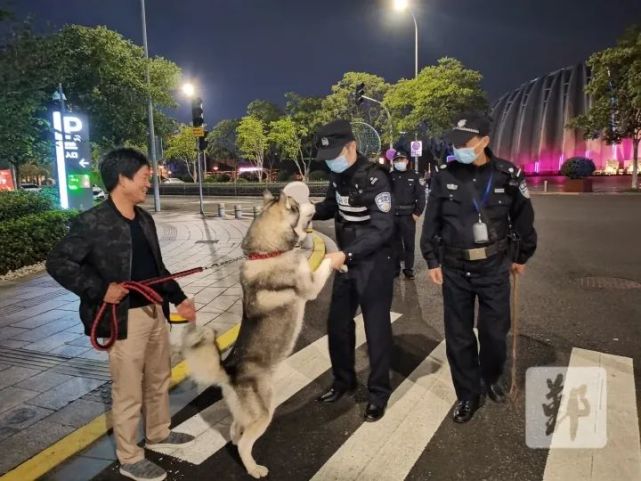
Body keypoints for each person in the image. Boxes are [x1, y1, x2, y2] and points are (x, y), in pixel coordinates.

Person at [46, 148, 197, 481]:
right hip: (123, 319)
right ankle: (130, 457)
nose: (149, 182)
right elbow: (58, 263)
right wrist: (101, 289)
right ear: (123, 179)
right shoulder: (92, 222)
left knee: (159, 378)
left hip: (154, 311)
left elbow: (158, 269)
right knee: (128, 390)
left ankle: (159, 431)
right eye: (144, 176)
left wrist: (179, 299)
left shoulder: (144, 219)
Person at [420, 113, 537, 424]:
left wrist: (522, 256)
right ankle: (468, 394)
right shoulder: (444, 175)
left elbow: (524, 217)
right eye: (455, 142)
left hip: (495, 266)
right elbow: (432, 220)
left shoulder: (508, 175)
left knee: (494, 332)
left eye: (466, 142)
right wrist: (431, 259)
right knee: (458, 336)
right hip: (455, 267)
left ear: (485, 141)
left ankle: (492, 375)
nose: (458, 147)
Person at [312, 119, 395, 422]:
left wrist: (346, 253)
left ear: (352, 146)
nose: (331, 161)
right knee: (337, 325)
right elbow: (332, 206)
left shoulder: (375, 178)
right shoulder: (338, 176)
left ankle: (378, 394)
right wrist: (307, 212)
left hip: (373, 263)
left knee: (376, 330)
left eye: (336, 153)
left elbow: (382, 229)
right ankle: (343, 381)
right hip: (346, 262)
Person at [390, 149, 426, 279]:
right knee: (394, 243)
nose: (399, 162)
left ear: (407, 161)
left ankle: (408, 269)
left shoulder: (415, 176)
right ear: (394, 162)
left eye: (401, 159)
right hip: (393, 215)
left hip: (408, 215)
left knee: (409, 243)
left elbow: (421, 197)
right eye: (397, 160)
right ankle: (395, 268)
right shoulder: (390, 176)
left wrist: (417, 213)